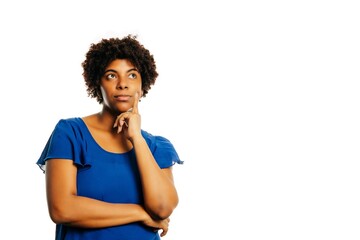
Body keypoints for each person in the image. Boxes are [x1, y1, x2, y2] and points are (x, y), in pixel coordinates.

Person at [36, 35, 183, 240]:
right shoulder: (71, 133)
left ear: (142, 86)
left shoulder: (157, 146)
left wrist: (137, 139)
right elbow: (62, 209)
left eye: (132, 76)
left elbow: (162, 209)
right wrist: (139, 213)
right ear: (98, 83)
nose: (123, 84)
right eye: (112, 76)